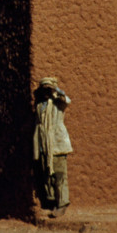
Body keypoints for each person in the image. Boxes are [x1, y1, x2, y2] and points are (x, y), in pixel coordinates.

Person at [33, 77, 73, 215]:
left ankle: (62, 203)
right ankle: (51, 202)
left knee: (59, 175)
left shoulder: (58, 103)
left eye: (48, 89)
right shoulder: (40, 106)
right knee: (47, 176)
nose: (46, 92)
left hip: (57, 145)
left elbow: (66, 100)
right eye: (44, 89)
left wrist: (56, 90)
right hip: (44, 146)